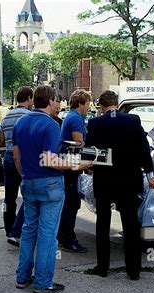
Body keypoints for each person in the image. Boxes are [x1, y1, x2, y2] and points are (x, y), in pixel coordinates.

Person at [12, 85, 91, 293]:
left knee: (29, 230)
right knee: (47, 235)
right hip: (50, 185)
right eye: (56, 100)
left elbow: (16, 155)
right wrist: (76, 165)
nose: (58, 104)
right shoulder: (50, 124)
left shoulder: (21, 122)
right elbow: (49, 158)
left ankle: (22, 277)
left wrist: (25, 175)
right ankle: (43, 282)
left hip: (28, 182)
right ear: (49, 101)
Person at [86, 90, 154, 280]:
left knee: (103, 224)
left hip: (104, 181)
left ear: (101, 106)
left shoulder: (95, 123)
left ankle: (103, 268)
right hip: (129, 180)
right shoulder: (133, 120)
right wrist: (150, 174)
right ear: (116, 104)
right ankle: (133, 270)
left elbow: (90, 154)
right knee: (130, 225)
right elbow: (144, 149)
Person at [57, 89, 92, 253]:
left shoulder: (70, 116)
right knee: (72, 202)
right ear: (80, 104)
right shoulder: (76, 119)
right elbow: (79, 143)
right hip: (71, 164)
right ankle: (68, 240)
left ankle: (62, 236)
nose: (89, 107)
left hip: (67, 162)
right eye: (87, 104)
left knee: (69, 201)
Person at [0, 86, 33, 247]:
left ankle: (9, 229)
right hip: (22, 158)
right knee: (29, 195)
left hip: (7, 157)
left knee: (9, 198)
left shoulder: (6, 116)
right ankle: (17, 231)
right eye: (32, 99)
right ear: (28, 98)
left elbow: (1, 141)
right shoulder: (30, 116)